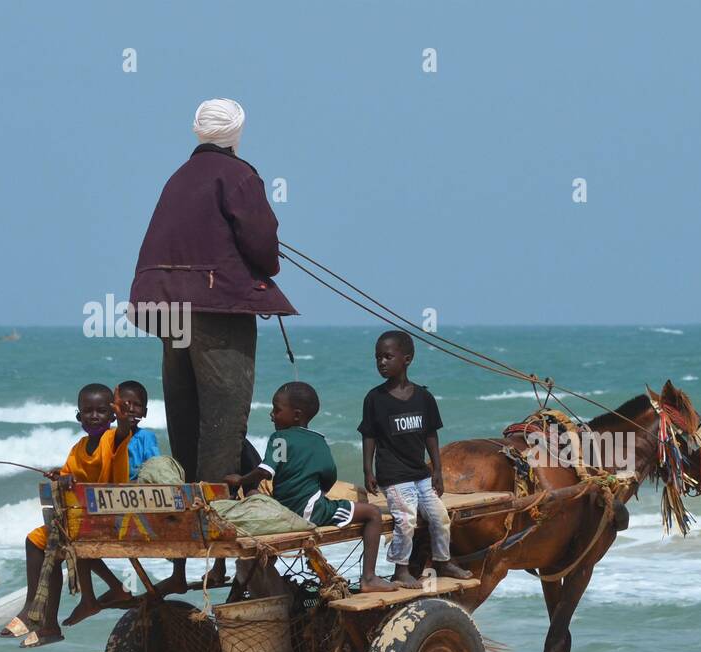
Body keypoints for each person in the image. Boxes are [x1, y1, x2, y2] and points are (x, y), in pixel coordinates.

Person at [128, 97, 294, 511]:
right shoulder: (238, 175)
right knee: (223, 415)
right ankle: (215, 514)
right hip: (217, 308)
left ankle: (188, 510)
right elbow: (261, 244)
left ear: (198, 131)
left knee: (185, 411)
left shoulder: (178, 178)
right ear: (237, 132)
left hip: (168, 309)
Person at [1, 384, 137, 646]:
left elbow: (123, 433)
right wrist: (60, 476)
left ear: (111, 416)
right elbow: (69, 475)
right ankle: (42, 615)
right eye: (87, 411)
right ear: (79, 417)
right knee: (36, 540)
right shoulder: (79, 447)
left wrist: (122, 420)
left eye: (101, 411)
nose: (94, 416)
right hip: (86, 523)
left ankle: (42, 616)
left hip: (112, 520)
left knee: (61, 541)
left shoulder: (113, 439)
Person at [226, 382, 395, 593]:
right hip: (312, 511)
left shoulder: (280, 439)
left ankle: (239, 593)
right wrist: (319, 493)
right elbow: (329, 476)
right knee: (373, 513)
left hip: (285, 513)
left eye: (277, 410)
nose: (271, 414)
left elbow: (265, 471)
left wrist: (239, 481)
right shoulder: (319, 441)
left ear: (296, 415)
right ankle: (369, 577)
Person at [359, 330, 473, 589]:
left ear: (406, 359)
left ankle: (443, 561)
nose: (381, 362)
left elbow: (430, 435)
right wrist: (368, 469)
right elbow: (369, 435)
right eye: (378, 358)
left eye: (388, 356)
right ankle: (401, 569)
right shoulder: (374, 399)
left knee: (440, 516)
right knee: (406, 518)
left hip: (420, 475)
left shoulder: (423, 397)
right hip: (394, 477)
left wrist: (438, 471)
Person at [115, 380, 161, 481]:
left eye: (137, 405)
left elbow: (155, 468)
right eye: (126, 404)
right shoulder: (108, 437)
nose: (131, 409)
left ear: (144, 412)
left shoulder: (146, 437)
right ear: (115, 408)